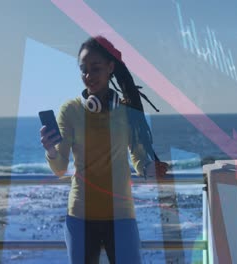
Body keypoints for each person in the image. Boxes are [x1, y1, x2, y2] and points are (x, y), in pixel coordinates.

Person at [40, 36, 168, 264]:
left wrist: (151, 169)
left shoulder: (127, 111)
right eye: (84, 70)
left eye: (95, 68)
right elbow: (60, 168)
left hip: (121, 216)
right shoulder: (70, 110)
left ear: (110, 67)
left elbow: (138, 158)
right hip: (80, 217)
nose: (88, 76)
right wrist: (50, 149)